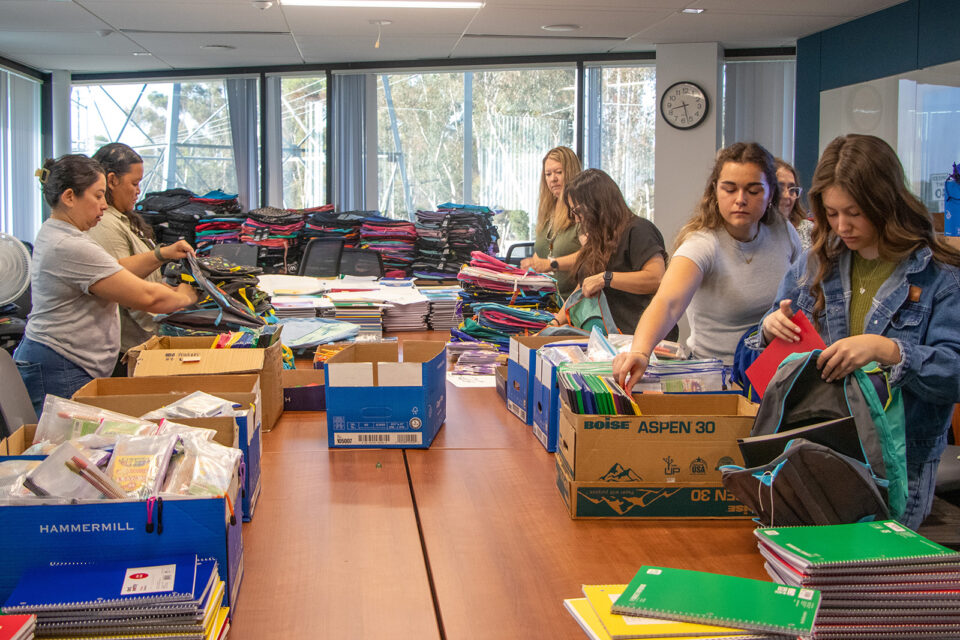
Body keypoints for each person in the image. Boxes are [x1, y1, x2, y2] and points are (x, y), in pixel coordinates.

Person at [755, 134, 960, 530]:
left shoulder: (941, 277)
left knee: (868, 580)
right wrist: (767, 329)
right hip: (810, 449)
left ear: (886, 204)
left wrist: (889, 351)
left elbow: (954, 373)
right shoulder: (813, 266)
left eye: (854, 213)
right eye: (831, 214)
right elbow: (763, 367)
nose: (842, 226)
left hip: (900, 463)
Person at [14, 154, 197, 415]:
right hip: (61, 367)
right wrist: (189, 294)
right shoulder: (70, 245)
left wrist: (163, 254)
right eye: (98, 196)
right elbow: (149, 298)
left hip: (64, 362)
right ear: (68, 197)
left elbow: (113, 271)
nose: (103, 205)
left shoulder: (59, 233)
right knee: (71, 448)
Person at [613, 142, 801, 387]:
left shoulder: (782, 229)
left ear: (771, 194)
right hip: (722, 377)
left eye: (753, 191)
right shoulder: (704, 243)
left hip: (778, 372)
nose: (740, 200)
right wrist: (640, 352)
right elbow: (667, 303)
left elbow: (805, 291)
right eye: (729, 189)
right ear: (715, 190)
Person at [549, 168, 675, 337]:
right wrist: (555, 323)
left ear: (597, 204)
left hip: (640, 338)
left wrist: (605, 278)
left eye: (577, 211)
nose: (577, 219)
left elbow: (656, 278)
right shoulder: (598, 239)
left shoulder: (639, 230)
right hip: (609, 340)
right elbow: (583, 286)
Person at [87, 142, 165, 362]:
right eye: (134, 183)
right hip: (128, 347)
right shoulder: (105, 224)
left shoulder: (124, 220)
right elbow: (124, 284)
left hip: (140, 340)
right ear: (111, 181)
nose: (139, 191)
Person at [520, 146, 583, 298]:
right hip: (546, 302)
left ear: (571, 173)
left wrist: (552, 264)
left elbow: (590, 255)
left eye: (558, 172)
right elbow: (543, 253)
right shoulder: (548, 212)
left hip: (573, 303)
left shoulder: (582, 211)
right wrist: (531, 265)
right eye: (548, 174)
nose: (553, 179)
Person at [776, 158, 814, 250]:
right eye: (780, 189)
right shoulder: (752, 232)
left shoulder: (809, 230)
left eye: (792, 189)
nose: (787, 195)